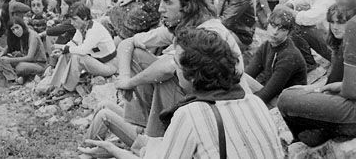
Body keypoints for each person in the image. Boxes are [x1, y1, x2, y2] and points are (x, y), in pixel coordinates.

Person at [81, 28, 284, 159]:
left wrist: (115, 151)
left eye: (176, 64)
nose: (174, 69)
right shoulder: (254, 102)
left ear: (192, 76)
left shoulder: (191, 114)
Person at [116, 0, 247, 138]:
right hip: (204, 97)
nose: (160, 9)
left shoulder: (209, 30)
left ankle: (155, 138)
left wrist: (130, 82)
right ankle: (142, 126)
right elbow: (127, 43)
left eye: (168, 3)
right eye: (160, 1)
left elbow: (167, 68)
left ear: (187, 6)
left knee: (167, 76)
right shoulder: (182, 24)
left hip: (224, 104)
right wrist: (124, 77)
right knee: (137, 54)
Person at [278, 0, 356, 147]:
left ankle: (312, 136)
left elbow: (351, 91)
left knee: (287, 98)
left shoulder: (354, 25)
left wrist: (339, 87)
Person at [245, 7, 307, 107]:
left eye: (282, 29)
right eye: (273, 26)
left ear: (289, 32)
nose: (275, 32)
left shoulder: (289, 55)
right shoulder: (266, 46)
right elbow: (248, 75)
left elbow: (268, 93)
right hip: (275, 95)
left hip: (290, 104)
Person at [50, 2, 117, 93]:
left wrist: (64, 47)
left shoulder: (95, 29)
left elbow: (83, 50)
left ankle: (67, 88)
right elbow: (73, 43)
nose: (72, 23)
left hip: (109, 65)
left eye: (75, 20)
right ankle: (56, 83)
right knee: (66, 52)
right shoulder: (81, 28)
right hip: (97, 61)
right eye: (71, 20)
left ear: (85, 18)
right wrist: (62, 50)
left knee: (77, 57)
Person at [282, 0, 333, 71]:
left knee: (298, 27)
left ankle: (308, 65)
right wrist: (290, 4)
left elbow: (308, 18)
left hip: (336, 48)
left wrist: (287, 11)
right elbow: (302, 0)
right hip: (328, 39)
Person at [0, 16, 47, 85]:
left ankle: (22, 76)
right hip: (26, 61)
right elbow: (9, 46)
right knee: (0, 59)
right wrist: (2, 53)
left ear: (22, 26)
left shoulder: (32, 36)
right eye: (13, 30)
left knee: (20, 67)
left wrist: (10, 60)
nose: (15, 31)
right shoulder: (20, 34)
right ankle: (13, 78)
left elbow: (30, 57)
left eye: (17, 28)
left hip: (39, 64)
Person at [325, 4, 355, 84]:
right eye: (332, 22)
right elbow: (331, 77)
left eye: (340, 23)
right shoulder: (337, 43)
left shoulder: (351, 46)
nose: (335, 27)